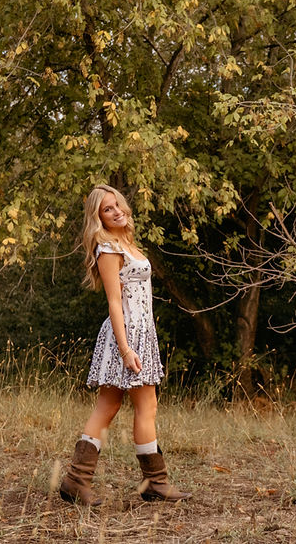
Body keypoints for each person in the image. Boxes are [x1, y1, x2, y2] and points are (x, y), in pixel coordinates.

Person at [59, 184, 192, 506]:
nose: (117, 210)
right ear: (98, 217)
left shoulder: (125, 243)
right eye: (107, 208)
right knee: (143, 405)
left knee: (110, 405)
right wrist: (126, 348)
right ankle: (153, 483)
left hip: (141, 332)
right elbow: (114, 303)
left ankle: (77, 481)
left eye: (117, 204)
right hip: (127, 335)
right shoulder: (108, 248)